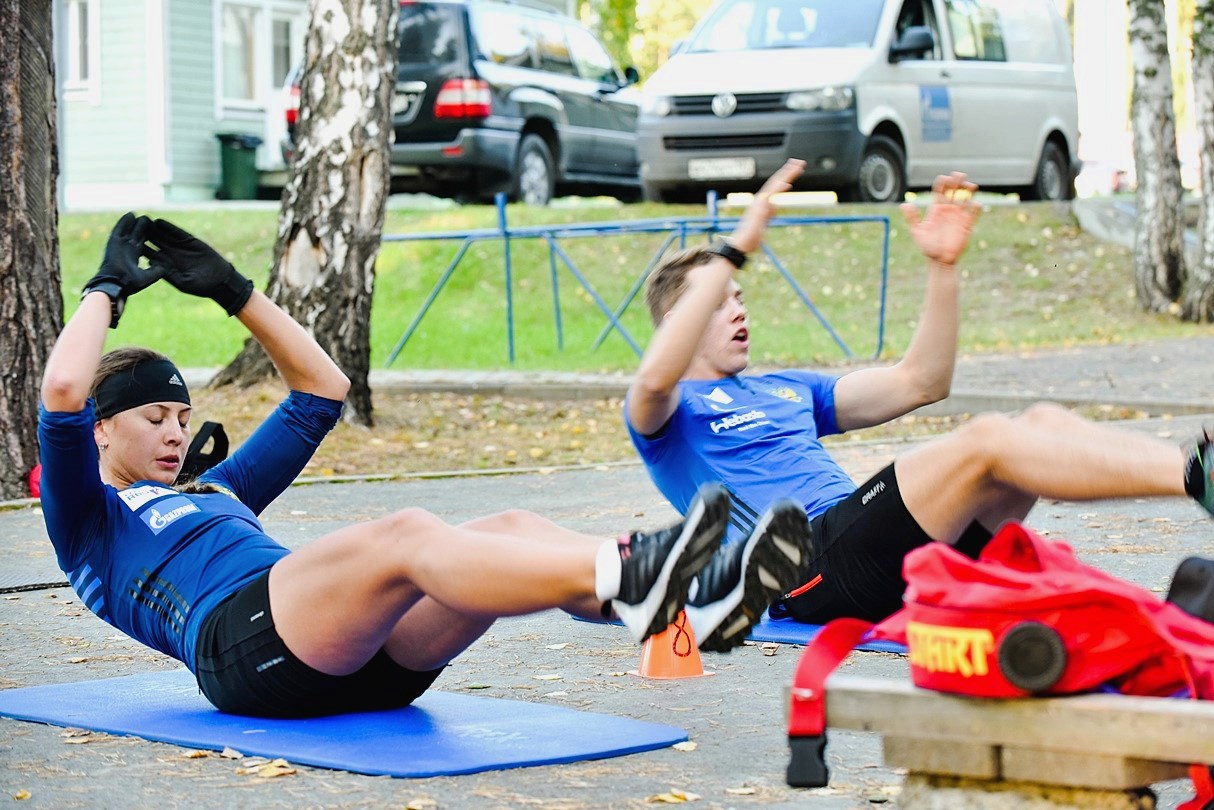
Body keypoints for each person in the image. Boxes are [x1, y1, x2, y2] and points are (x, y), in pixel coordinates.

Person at [37, 214, 814, 719]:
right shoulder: (88, 523)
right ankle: (640, 574)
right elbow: (65, 389)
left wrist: (236, 293)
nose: (176, 434)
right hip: (245, 656)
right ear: (101, 434)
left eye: (182, 416)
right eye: (153, 420)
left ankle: (658, 595)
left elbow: (322, 392)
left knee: (508, 526)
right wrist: (105, 290)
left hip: (366, 659)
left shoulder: (217, 489)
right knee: (409, 534)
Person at [625, 158, 1214, 635]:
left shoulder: (784, 388)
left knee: (1041, 420)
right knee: (987, 441)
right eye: (722, 298)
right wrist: (733, 250)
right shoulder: (667, 414)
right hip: (802, 569)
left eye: (740, 297)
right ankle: (1199, 477)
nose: (739, 308)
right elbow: (652, 378)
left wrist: (942, 268)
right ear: (680, 316)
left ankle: (1195, 484)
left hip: (869, 551)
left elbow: (921, 383)